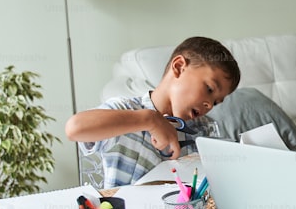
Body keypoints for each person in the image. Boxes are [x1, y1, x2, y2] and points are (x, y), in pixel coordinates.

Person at [66, 36, 241, 189]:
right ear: (179, 67)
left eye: (216, 102)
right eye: (209, 89)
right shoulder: (128, 111)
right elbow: (75, 128)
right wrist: (149, 119)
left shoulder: (203, 130)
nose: (209, 104)